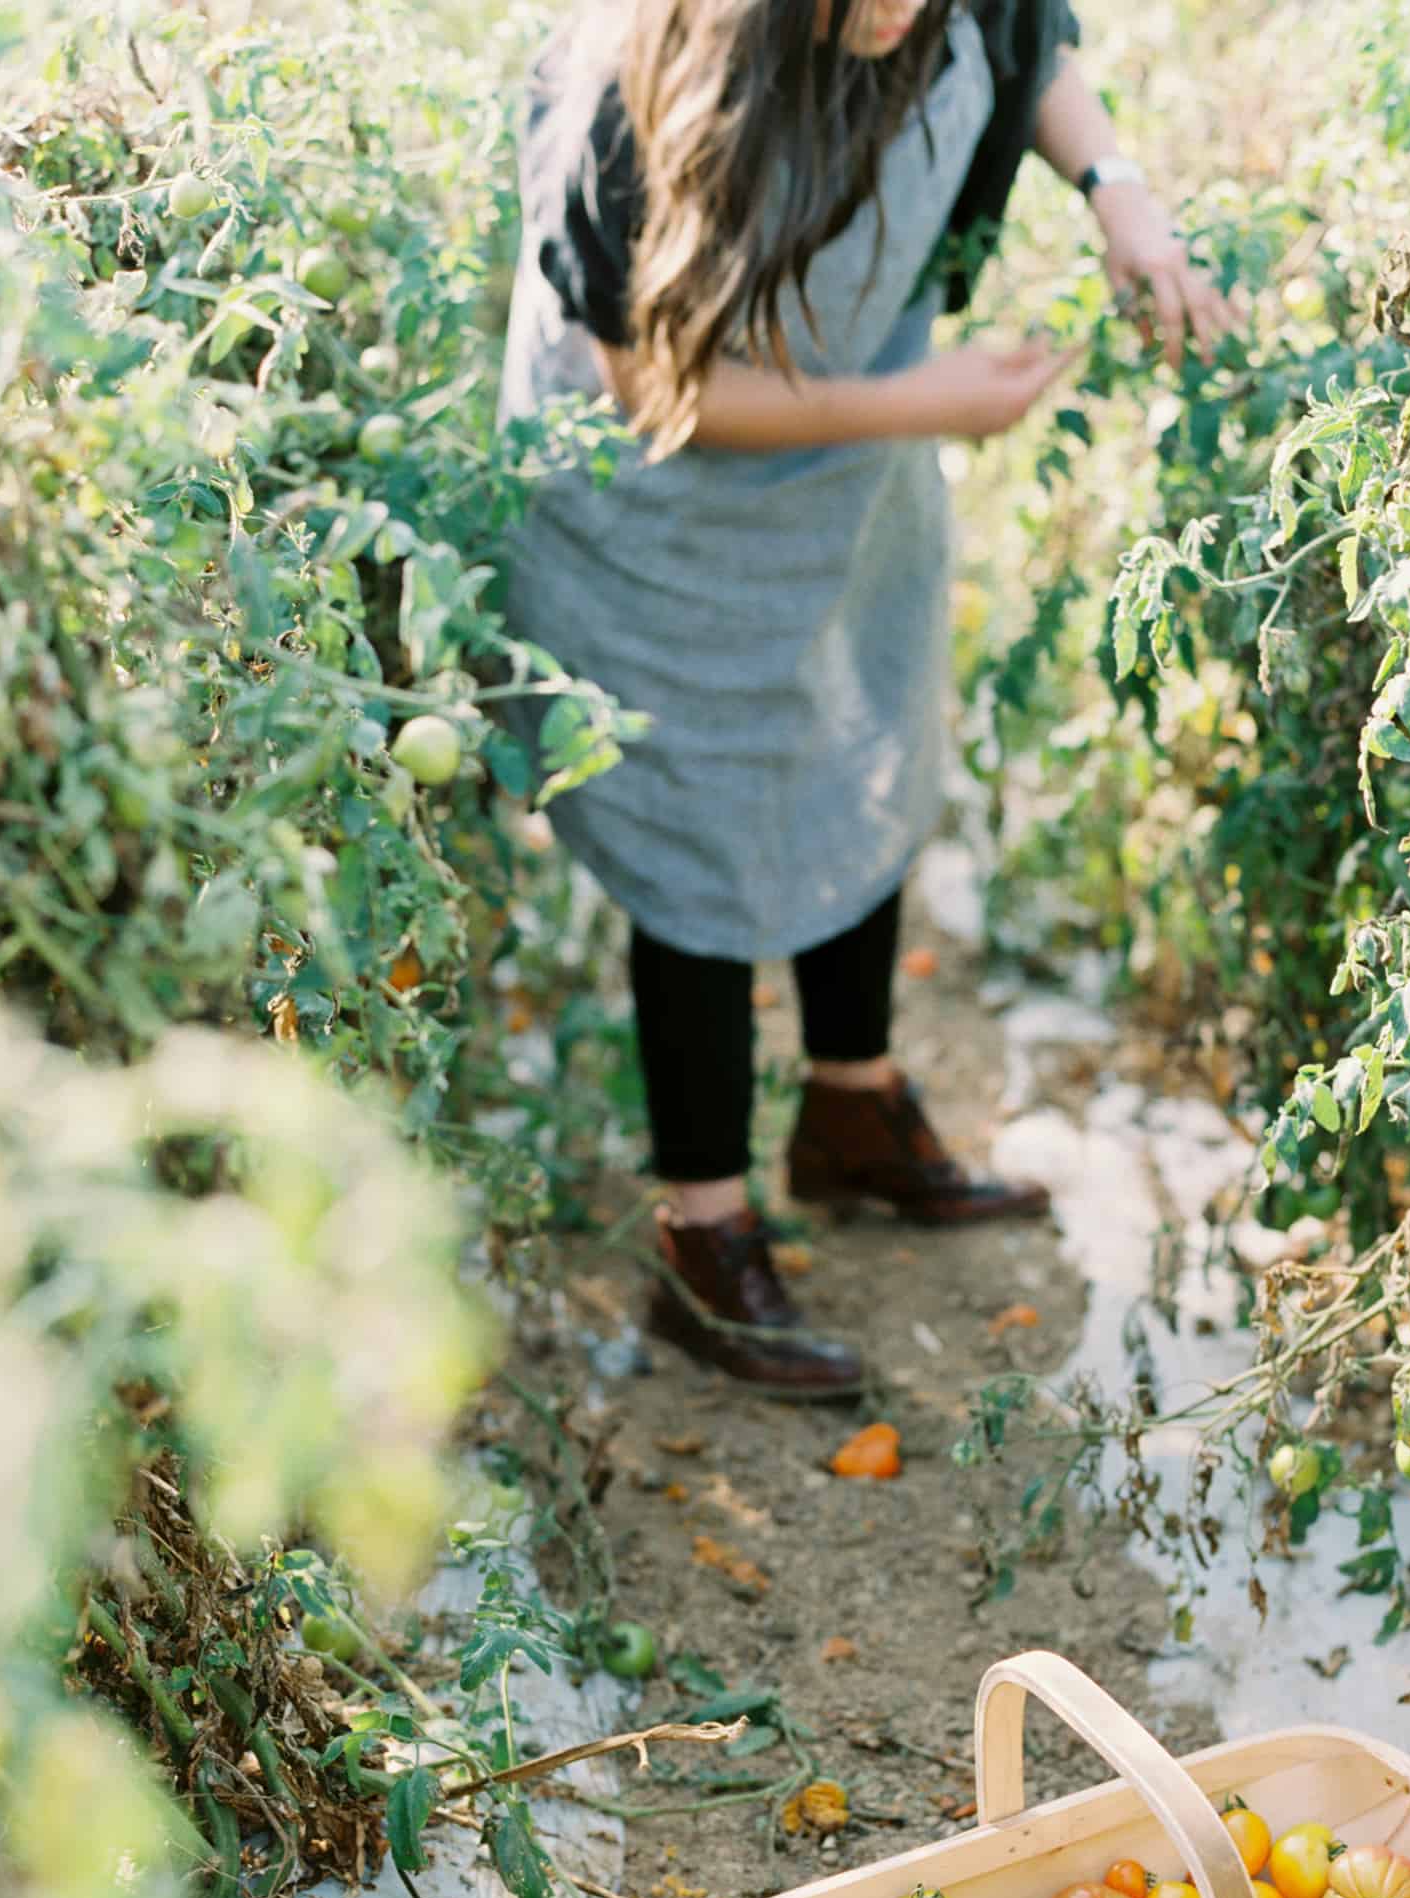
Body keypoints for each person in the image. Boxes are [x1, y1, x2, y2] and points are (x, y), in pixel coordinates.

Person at [500, 0, 1240, 1398]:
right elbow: (656, 383)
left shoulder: (957, 8)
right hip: (648, 492)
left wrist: (1123, 201)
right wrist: (925, 402)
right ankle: (701, 1239)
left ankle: (851, 1114)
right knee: (695, 795)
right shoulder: (626, 81)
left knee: (860, 723)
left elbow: (1035, 52)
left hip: (848, 438)